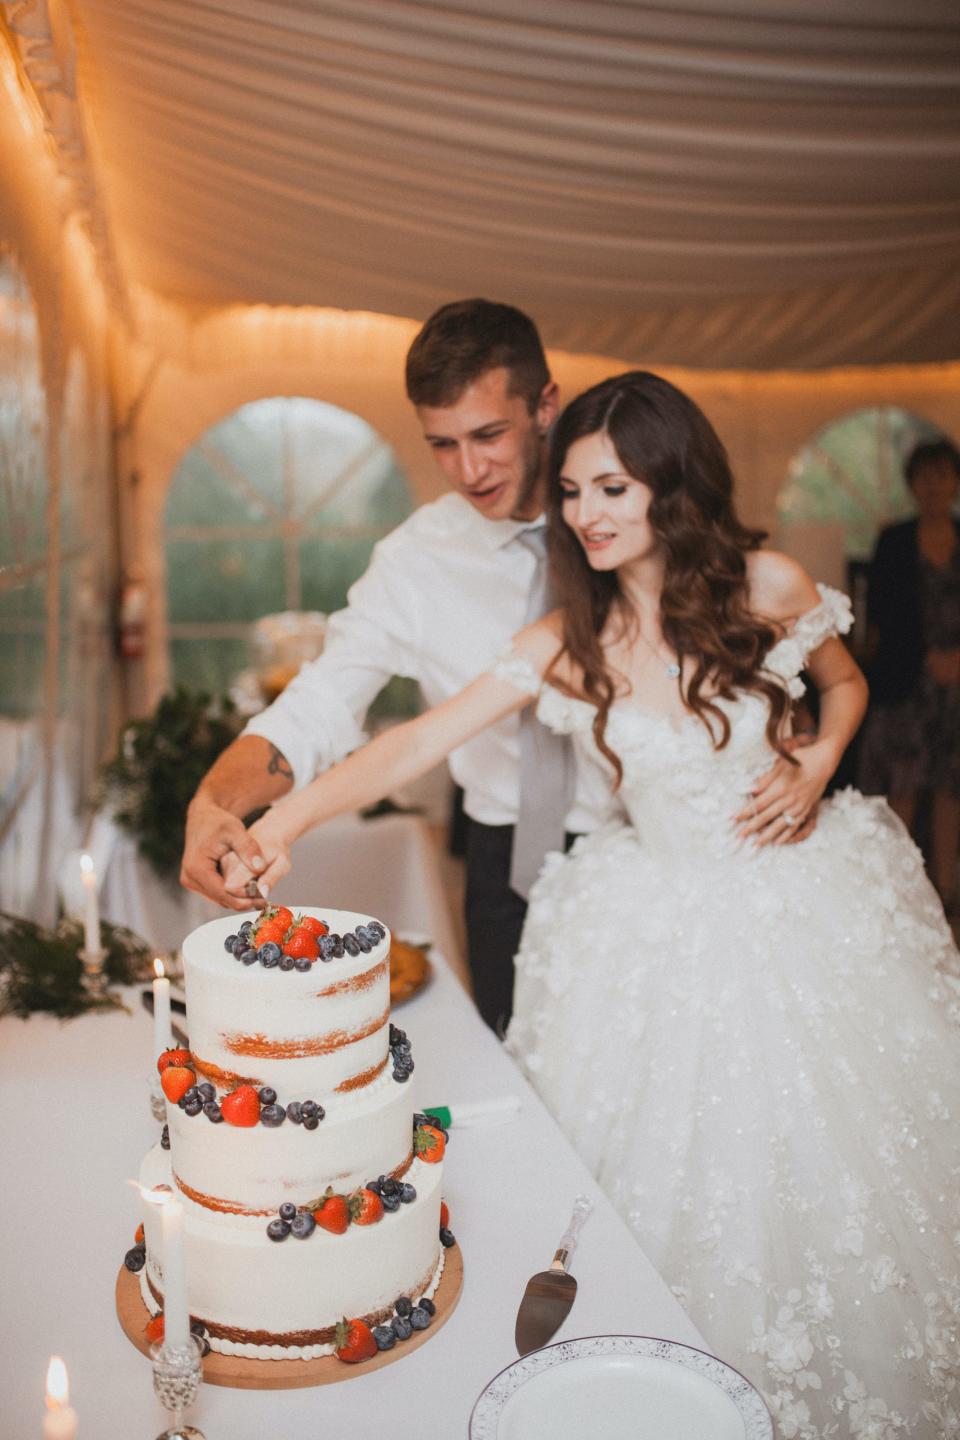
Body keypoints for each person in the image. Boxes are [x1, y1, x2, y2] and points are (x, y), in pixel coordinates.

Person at [222, 371, 960, 1434]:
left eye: (612, 487)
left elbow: (844, 684)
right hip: (649, 923)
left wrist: (818, 762)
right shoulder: (569, 646)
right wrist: (279, 825)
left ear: (672, 482)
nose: (586, 514)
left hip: (803, 913)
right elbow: (411, 741)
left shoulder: (771, 587)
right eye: (571, 491)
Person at [181, 299, 627, 1033]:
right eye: (443, 444)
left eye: (489, 435)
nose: (470, 469)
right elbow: (318, 705)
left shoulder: (624, 512)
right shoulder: (414, 561)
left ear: (545, 405)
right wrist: (216, 805)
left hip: (641, 842)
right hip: (503, 870)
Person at [858, 438, 960, 916]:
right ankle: (902, 888)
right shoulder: (894, 541)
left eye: (943, 475)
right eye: (925, 476)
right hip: (907, 679)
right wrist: (926, 658)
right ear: (912, 484)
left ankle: (947, 889)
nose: (934, 485)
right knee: (904, 785)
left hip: (957, 684)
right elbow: (882, 613)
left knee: (950, 787)